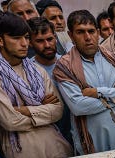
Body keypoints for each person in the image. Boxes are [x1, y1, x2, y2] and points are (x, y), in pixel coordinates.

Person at [54, 10, 115, 155]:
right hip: (94, 146)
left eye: (91, 31)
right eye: (80, 32)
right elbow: (79, 106)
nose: (88, 37)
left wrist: (99, 93)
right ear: (71, 35)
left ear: (98, 32)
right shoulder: (64, 66)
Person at [0, 13, 71, 158]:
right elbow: (10, 121)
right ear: (0, 40)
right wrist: (42, 110)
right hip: (23, 154)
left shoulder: (37, 70)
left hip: (56, 148)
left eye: (26, 37)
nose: (24, 43)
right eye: (16, 38)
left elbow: (58, 111)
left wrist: (23, 110)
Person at [28, 17, 71, 145]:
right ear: (30, 43)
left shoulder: (69, 63)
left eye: (50, 39)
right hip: (50, 135)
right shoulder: (28, 71)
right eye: (40, 41)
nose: (47, 45)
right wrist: (39, 104)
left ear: (55, 38)